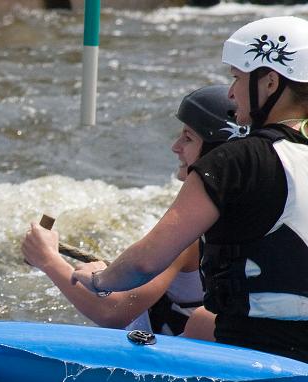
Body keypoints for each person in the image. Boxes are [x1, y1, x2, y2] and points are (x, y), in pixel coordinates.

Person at [72, 16, 308, 361]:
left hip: (254, 362)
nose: (231, 93)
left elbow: (144, 263)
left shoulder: (236, 160)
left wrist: (99, 280)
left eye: (237, 78)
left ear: (270, 82)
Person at [21, 85, 241, 336]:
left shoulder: (190, 230)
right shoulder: (249, 213)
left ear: (216, 153)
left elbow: (113, 312)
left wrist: (48, 259)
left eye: (188, 138)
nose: (175, 146)